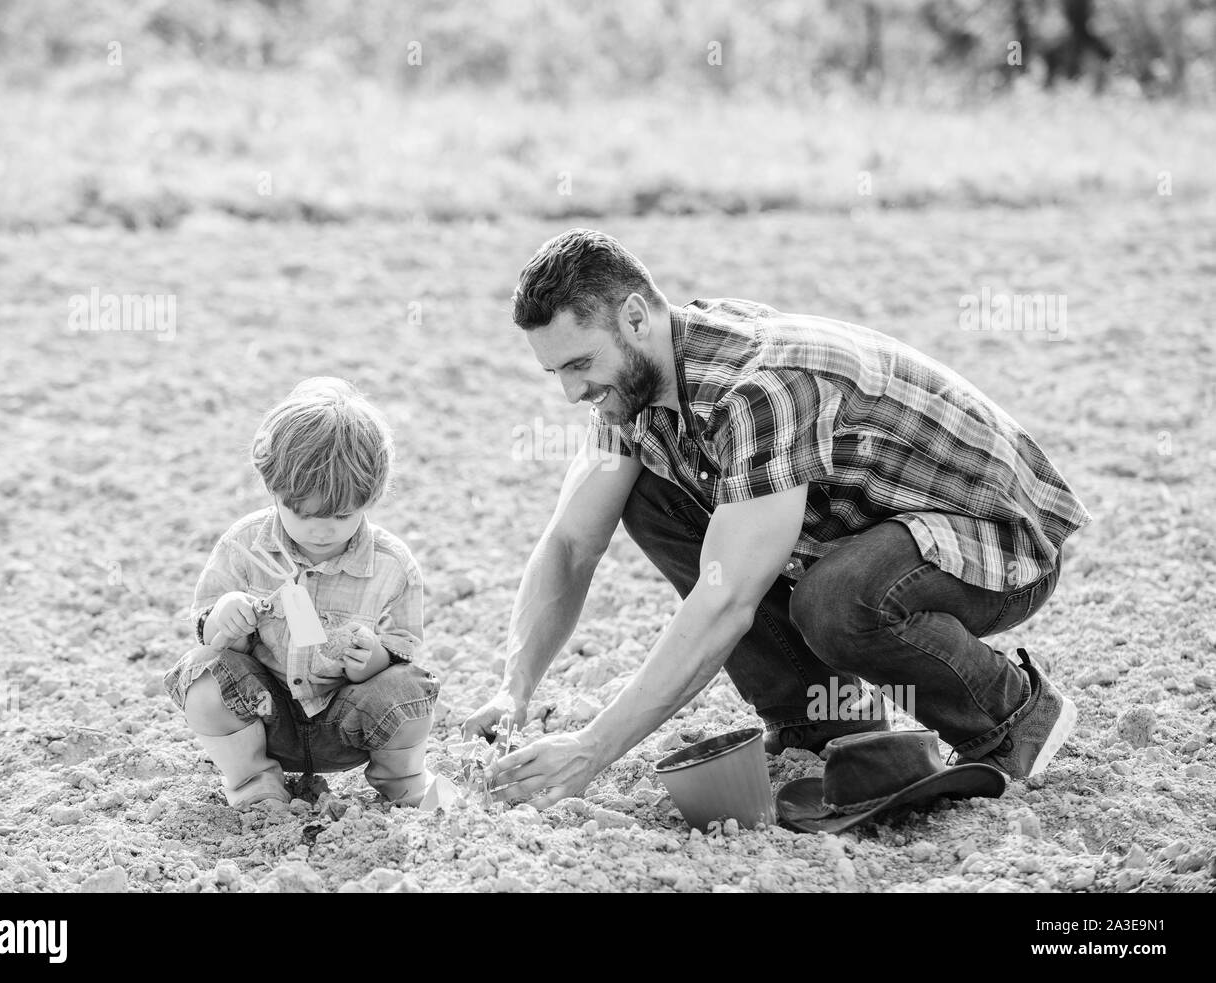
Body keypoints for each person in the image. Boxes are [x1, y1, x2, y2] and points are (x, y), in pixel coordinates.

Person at [465, 228, 1091, 808]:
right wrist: (512, 689)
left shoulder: (758, 389)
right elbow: (572, 545)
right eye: (554, 372)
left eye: (579, 365)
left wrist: (591, 750)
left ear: (635, 316)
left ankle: (1012, 715)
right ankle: (821, 719)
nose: (570, 394)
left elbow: (726, 600)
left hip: (996, 537)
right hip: (879, 530)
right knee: (649, 495)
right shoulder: (638, 384)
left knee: (836, 602)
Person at [164, 377, 439, 807]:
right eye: (302, 513)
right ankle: (255, 784)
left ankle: (403, 785)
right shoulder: (244, 546)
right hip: (266, 717)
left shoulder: (392, 565)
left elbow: (405, 650)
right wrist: (226, 618)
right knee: (202, 672)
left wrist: (373, 661)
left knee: (411, 688)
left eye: (343, 514)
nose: (321, 529)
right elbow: (209, 634)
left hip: (346, 720)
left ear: (373, 497)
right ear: (273, 488)